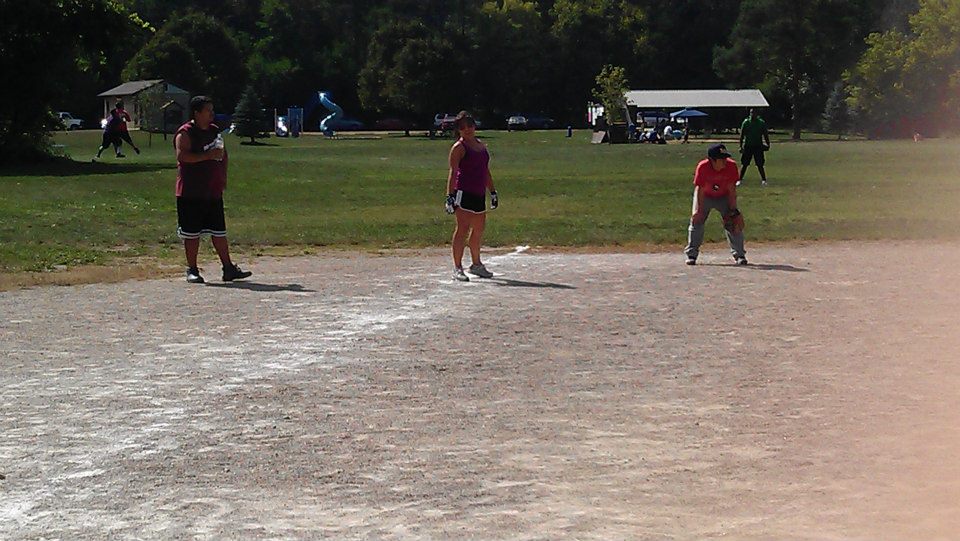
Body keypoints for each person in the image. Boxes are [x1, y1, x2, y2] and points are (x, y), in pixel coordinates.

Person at [174, 95, 252, 284]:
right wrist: (207, 155)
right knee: (192, 234)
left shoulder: (215, 131)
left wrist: (222, 176)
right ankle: (192, 269)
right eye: (208, 111)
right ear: (197, 113)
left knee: (219, 232)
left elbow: (223, 155)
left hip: (212, 190)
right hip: (190, 192)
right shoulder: (185, 133)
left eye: (212, 110)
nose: (212, 114)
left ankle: (228, 268)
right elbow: (183, 157)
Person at [445, 110, 497, 282]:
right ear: (458, 130)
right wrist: (450, 196)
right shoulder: (459, 148)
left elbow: (485, 171)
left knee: (479, 228)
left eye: (470, 126)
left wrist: (493, 191)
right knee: (462, 229)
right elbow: (453, 173)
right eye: (462, 127)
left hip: (479, 193)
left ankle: (476, 264)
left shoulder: (481, 146)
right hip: (464, 192)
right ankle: (457, 267)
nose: (467, 130)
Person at [684, 143, 747, 266]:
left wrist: (733, 209)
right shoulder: (703, 167)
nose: (724, 161)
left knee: (733, 221)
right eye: (721, 159)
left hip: (724, 197)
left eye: (725, 158)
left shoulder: (731, 166)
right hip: (705, 196)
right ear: (712, 160)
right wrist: (698, 210)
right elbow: (700, 189)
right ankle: (691, 255)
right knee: (697, 220)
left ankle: (740, 255)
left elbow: (731, 190)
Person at [738, 108, 770, 186]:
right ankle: (739, 180)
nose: (752, 114)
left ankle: (764, 180)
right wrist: (740, 146)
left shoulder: (761, 123)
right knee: (744, 164)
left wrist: (768, 144)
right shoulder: (746, 122)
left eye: (754, 113)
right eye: (751, 113)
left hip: (758, 146)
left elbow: (765, 134)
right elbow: (742, 135)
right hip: (748, 145)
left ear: (757, 114)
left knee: (760, 164)